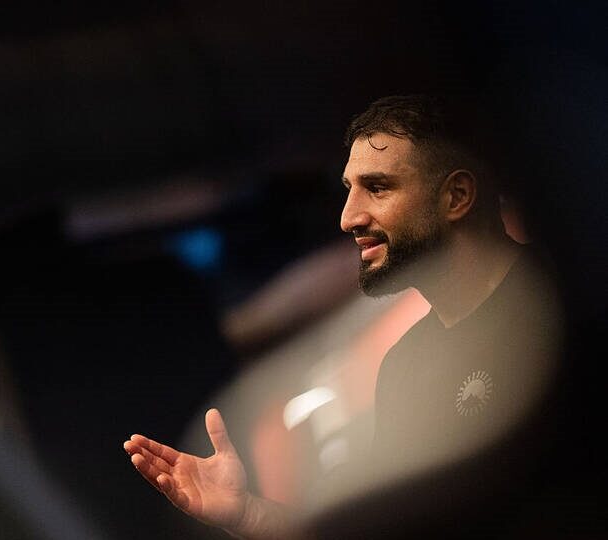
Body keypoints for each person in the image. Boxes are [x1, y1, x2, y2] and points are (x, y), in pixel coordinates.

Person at [122, 94, 562, 539]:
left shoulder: (559, 310)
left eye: (378, 188)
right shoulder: (406, 360)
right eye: (349, 190)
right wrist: (248, 515)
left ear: (457, 196)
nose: (348, 218)